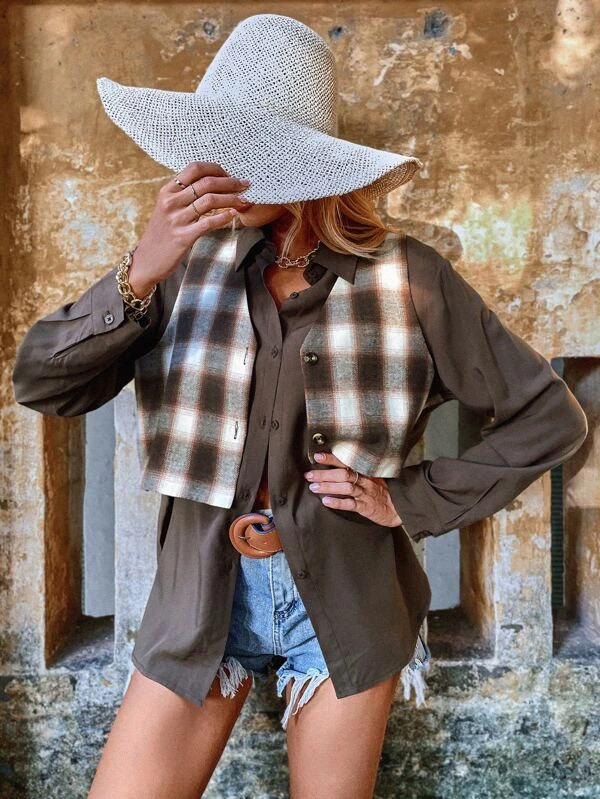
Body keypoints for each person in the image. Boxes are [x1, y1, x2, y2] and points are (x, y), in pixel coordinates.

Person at [11, 14, 588, 799]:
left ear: (291, 165)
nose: (207, 168)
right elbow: (43, 382)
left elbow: (549, 418)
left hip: (346, 602)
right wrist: (140, 267)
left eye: (233, 149)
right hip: (200, 596)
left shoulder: (410, 276)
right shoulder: (182, 266)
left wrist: (405, 498)